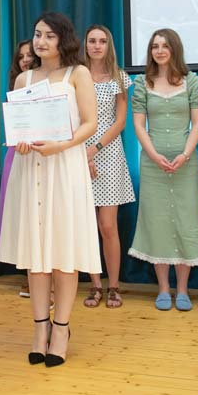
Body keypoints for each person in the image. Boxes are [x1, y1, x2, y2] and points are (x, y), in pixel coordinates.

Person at [0, 12, 100, 368]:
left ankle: (61, 329)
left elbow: (90, 123)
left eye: (49, 36)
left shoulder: (78, 74)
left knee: (63, 252)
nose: (40, 41)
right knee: (36, 254)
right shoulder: (23, 77)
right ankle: (39, 328)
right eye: (37, 34)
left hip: (65, 166)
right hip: (31, 169)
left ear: (63, 40)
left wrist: (62, 145)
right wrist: (22, 141)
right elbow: (19, 125)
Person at [129, 29, 198, 311]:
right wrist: (153, 155)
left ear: (174, 49)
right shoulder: (142, 83)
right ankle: (164, 288)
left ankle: (183, 289)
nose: (160, 51)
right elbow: (138, 124)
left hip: (185, 163)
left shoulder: (192, 82)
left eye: (165, 46)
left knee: (185, 220)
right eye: (155, 46)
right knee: (157, 222)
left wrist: (185, 154)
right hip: (152, 164)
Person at [81, 25, 135, 309]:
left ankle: (113, 286)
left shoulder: (119, 77)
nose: (97, 46)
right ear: (85, 44)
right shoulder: (76, 75)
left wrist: (95, 149)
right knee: (87, 225)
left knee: (107, 225)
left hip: (109, 154)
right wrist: (84, 153)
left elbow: (120, 121)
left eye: (102, 41)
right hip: (79, 152)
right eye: (92, 41)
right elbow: (72, 117)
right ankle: (95, 285)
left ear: (109, 45)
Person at [0, 39, 38, 298]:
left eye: (29, 55)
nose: (25, 60)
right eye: (21, 56)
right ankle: (33, 278)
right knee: (23, 217)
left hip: (43, 153)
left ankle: (50, 284)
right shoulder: (16, 86)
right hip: (17, 154)